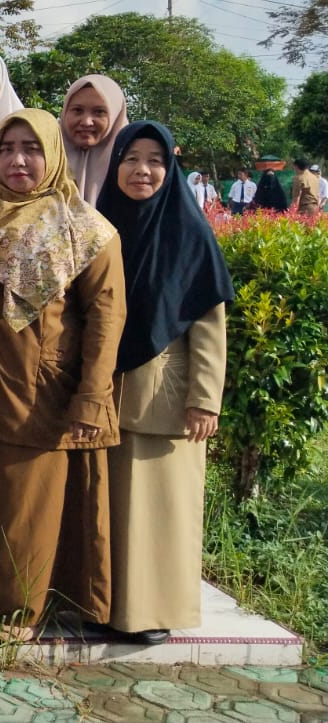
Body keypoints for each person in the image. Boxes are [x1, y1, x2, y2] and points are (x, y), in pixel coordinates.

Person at [0, 108, 125, 643]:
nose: (17, 160)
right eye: (6, 148)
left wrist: (91, 396)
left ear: (53, 154)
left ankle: (17, 611)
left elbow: (106, 317)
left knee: (25, 506)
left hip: (39, 389)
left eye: (31, 149)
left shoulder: (85, 228)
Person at [96, 121, 233, 644]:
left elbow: (209, 324)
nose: (142, 170)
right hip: (105, 393)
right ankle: (102, 605)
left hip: (166, 399)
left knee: (159, 510)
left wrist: (205, 399)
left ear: (170, 167)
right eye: (131, 158)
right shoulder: (101, 225)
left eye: (155, 160)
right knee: (109, 509)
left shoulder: (189, 233)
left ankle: (152, 612)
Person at [60, 74, 129, 204]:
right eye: (77, 110)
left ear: (115, 116)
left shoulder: (131, 165)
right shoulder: (46, 160)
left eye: (99, 112)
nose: (86, 122)